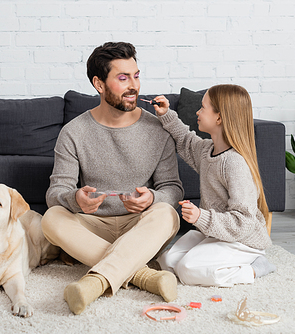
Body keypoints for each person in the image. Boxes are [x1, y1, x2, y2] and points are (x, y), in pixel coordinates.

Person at [41, 42, 184, 314]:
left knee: (167, 213)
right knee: (51, 219)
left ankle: (95, 283)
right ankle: (144, 276)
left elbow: (173, 188)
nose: (134, 85)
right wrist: (75, 199)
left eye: (136, 75)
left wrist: (153, 197)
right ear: (99, 84)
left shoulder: (158, 129)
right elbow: (56, 192)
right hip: (92, 224)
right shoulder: (74, 132)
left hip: (139, 225)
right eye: (122, 78)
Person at [153, 84, 276, 287]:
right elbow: (185, 140)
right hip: (217, 234)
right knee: (166, 261)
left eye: (203, 107)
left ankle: (255, 267)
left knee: (187, 270)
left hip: (242, 241)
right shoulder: (207, 150)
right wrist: (166, 114)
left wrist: (201, 216)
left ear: (219, 117)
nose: (197, 112)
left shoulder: (235, 163)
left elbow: (243, 221)